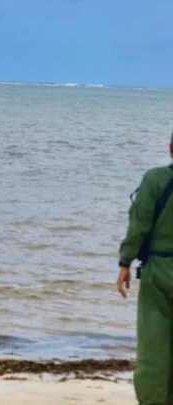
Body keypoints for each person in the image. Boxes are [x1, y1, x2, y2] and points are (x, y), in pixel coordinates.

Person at [117, 130, 173, 404]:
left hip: (160, 270)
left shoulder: (155, 179)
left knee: (154, 347)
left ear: (171, 148)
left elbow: (139, 225)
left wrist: (125, 262)